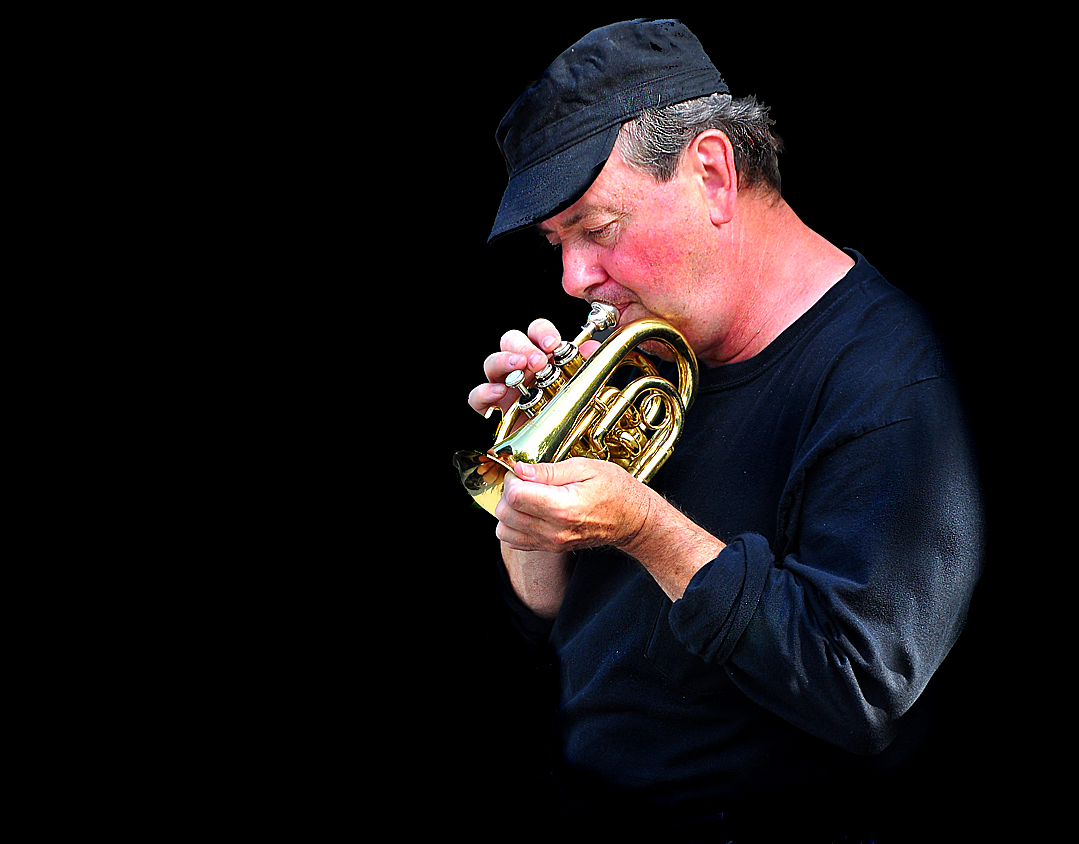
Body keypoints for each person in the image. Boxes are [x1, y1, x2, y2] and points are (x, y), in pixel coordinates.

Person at [465, 18, 984, 841]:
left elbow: (858, 694)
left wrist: (644, 527)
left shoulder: (893, 381)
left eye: (597, 230)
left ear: (710, 172)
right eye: (556, 245)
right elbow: (552, 626)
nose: (573, 281)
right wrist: (530, 502)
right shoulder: (651, 356)